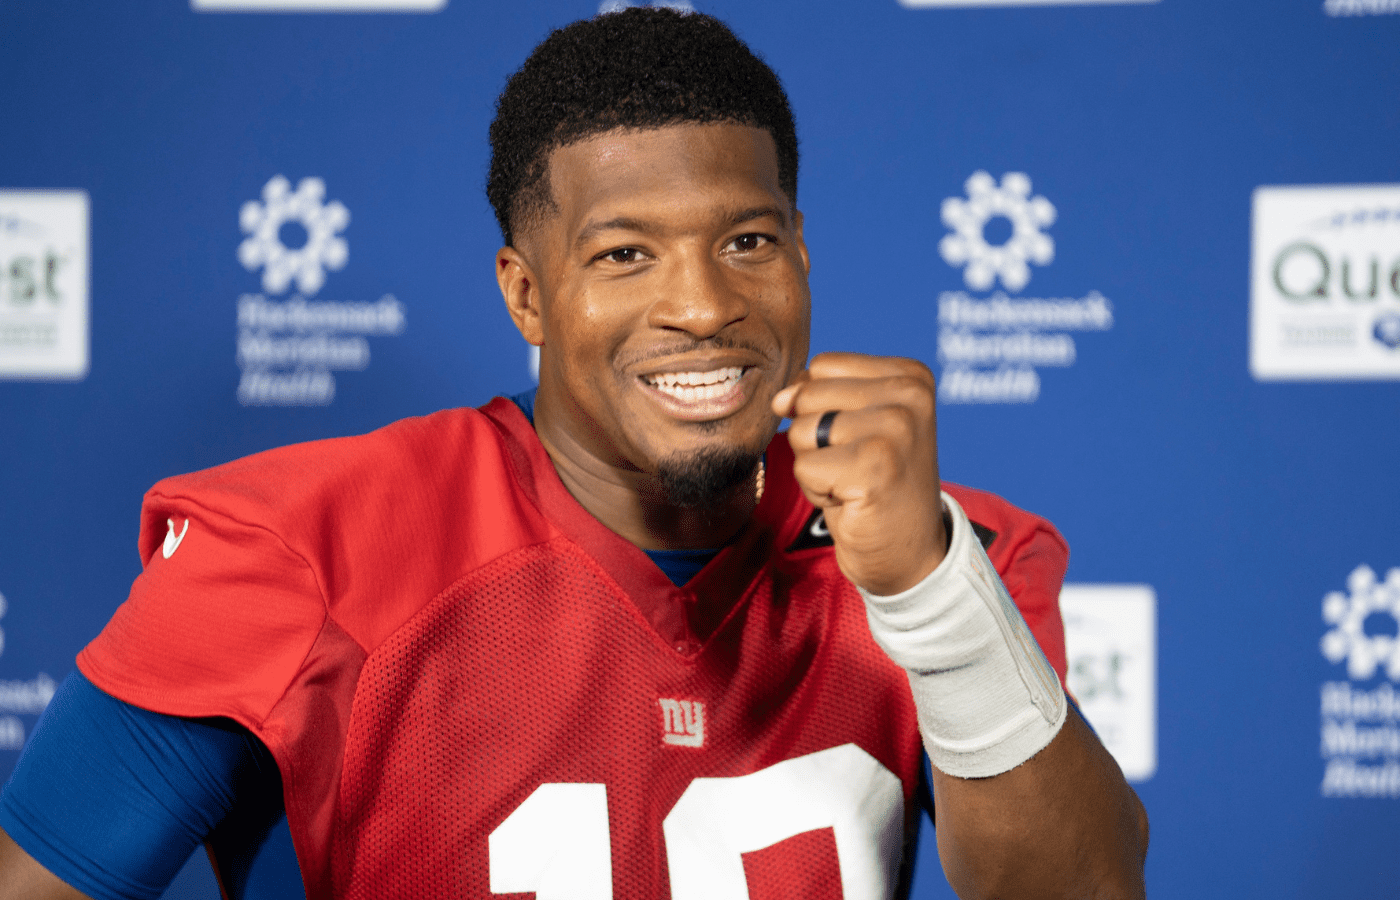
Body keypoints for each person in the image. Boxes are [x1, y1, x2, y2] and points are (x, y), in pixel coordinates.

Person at [0, 8, 1147, 900]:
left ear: (800, 252)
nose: (702, 305)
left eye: (746, 242)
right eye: (622, 256)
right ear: (526, 295)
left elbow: (1088, 887)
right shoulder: (303, 549)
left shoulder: (950, 556)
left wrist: (929, 590)